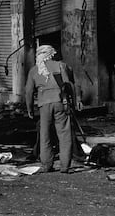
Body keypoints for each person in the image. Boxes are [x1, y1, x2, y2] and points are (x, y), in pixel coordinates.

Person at [25, 45, 81, 173]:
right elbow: (69, 84)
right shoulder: (61, 66)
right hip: (60, 102)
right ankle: (65, 166)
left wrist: (29, 109)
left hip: (43, 105)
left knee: (45, 135)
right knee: (64, 134)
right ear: (52, 54)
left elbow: (28, 91)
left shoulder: (34, 70)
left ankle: (46, 165)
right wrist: (75, 101)